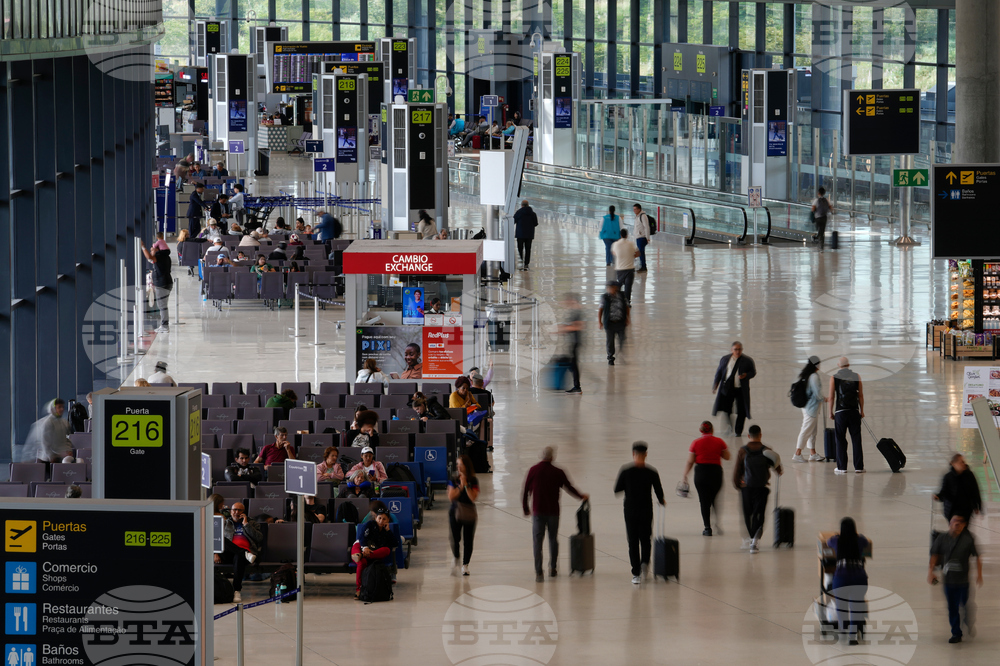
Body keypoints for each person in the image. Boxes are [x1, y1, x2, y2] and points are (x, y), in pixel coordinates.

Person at [522, 446, 588, 581]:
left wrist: (526, 507)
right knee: (553, 540)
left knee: (537, 542)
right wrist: (581, 496)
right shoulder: (558, 472)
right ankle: (553, 568)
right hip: (553, 512)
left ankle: (539, 572)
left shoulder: (533, 470)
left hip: (538, 512)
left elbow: (526, 491)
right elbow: (569, 487)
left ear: (541, 456)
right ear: (553, 457)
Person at [613, 442, 665, 584]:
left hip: (630, 510)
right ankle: (645, 564)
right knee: (646, 539)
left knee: (633, 541)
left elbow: (617, 490)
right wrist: (661, 500)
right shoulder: (652, 472)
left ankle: (635, 573)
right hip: (646, 509)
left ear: (633, 454)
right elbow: (659, 491)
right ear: (646, 454)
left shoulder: (626, 471)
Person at [929, 514, 982, 643]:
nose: (957, 524)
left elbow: (977, 556)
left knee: (966, 605)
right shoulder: (942, 538)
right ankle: (956, 633)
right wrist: (931, 572)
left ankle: (968, 621)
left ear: (964, 525)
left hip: (963, 581)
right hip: (948, 581)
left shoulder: (968, 540)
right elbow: (935, 555)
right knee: (952, 607)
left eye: (960, 522)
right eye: (954, 521)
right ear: (949, 524)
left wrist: (979, 574)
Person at [732, 425, 782, 554]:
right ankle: (755, 540)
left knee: (747, 514)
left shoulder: (743, 451)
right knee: (759, 514)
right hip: (761, 487)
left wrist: (739, 486)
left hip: (746, 488)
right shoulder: (767, 450)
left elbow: (737, 471)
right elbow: (778, 469)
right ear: (760, 435)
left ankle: (750, 538)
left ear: (748, 436)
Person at [825, 517, 870, 645]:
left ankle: (843, 628)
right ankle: (853, 635)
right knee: (856, 606)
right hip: (859, 577)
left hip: (841, 578)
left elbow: (828, 542)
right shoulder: (860, 540)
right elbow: (866, 542)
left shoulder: (836, 540)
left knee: (841, 605)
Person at [681, 422, 730, 536]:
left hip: (701, 474)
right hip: (716, 473)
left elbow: (690, 461)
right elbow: (727, 456)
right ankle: (717, 523)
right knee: (714, 499)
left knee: (704, 501)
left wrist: (685, 476)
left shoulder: (695, 443)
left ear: (701, 430)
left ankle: (707, 528)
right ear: (712, 430)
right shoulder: (719, 441)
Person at [217, 501, 261, 603]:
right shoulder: (225, 523)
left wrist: (246, 524)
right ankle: (244, 553)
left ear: (244, 512)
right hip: (228, 554)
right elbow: (216, 540)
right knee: (222, 538)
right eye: (234, 510)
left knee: (238, 557)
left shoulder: (252, 523)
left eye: (239, 510)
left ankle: (236, 590)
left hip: (244, 555)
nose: (236, 512)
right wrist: (216, 553)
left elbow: (259, 538)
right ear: (231, 511)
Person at [711, 341, 757, 437]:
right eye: (735, 349)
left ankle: (738, 430)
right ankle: (729, 426)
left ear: (742, 350)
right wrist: (715, 384)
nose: (737, 351)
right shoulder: (725, 359)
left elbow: (753, 372)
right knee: (726, 409)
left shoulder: (747, 361)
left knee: (742, 410)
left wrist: (746, 375)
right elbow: (719, 372)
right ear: (731, 350)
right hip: (728, 388)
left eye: (739, 349)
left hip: (740, 389)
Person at [354, 508, 400, 599]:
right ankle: (358, 589)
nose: (381, 521)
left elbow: (395, 543)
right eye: (379, 518)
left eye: (384, 519)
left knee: (386, 550)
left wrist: (388, 531)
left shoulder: (386, 531)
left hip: (371, 553)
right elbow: (362, 538)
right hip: (361, 547)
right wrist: (365, 548)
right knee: (361, 561)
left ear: (388, 520)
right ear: (376, 518)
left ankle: (362, 555)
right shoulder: (369, 525)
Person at [829, 356, 864, 474]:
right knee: (856, 439)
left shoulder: (834, 377)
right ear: (848, 365)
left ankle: (842, 467)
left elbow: (832, 397)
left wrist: (830, 412)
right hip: (854, 411)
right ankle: (858, 467)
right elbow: (860, 396)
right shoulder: (856, 376)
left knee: (840, 439)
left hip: (840, 412)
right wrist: (862, 410)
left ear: (839, 365)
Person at [448, 455, 480, 576]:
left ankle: (465, 564)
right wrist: (460, 486)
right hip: (455, 512)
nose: (458, 467)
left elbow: (473, 497)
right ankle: (456, 556)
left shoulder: (474, 480)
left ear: (466, 466)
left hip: (469, 512)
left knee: (468, 540)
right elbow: (451, 497)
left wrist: (466, 484)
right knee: (455, 538)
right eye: (457, 464)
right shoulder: (453, 479)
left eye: (461, 464)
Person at [793, 356, 826, 462]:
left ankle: (813, 453)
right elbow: (817, 393)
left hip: (809, 407)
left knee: (812, 431)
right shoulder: (814, 376)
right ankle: (797, 453)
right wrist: (824, 399)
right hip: (811, 408)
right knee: (806, 430)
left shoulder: (807, 375)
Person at [934, 454, 982, 522]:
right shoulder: (948, 477)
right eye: (961, 462)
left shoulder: (969, 475)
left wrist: (977, 506)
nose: (963, 464)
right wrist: (938, 496)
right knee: (955, 529)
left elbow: (975, 491)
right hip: (952, 510)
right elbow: (944, 492)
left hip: (966, 510)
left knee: (962, 529)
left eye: (963, 461)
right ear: (954, 464)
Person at [22, 399, 73, 464]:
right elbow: (45, 443)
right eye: (59, 407)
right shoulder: (48, 423)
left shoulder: (64, 422)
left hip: (62, 456)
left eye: (62, 407)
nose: (62, 409)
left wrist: (69, 450)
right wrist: (52, 456)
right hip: (48, 459)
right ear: (53, 409)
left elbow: (67, 439)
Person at [139, 239, 173, 333]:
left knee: (162, 305)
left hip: (162, 284)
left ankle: (165, 326)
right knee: (163, 304)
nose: (151, 251)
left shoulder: (159, 256)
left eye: (152, 249)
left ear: (157, 249)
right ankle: (164, 325)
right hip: (166, 282)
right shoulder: (164, 256)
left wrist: (143, 247)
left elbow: (149, 257)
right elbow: (151, 259)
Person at [598, 280, 629, 365]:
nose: (609, 289)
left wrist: (627, 318)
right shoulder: (604, 297)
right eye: (609, 287)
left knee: (622, 339)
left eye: (611, 287)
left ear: (616, 288)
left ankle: (621, 353)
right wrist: (600, 322)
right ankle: (611, 358)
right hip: (609, 323)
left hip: (620, 322)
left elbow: (626, 307)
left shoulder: (622, 296)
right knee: (610, 342)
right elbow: (600, 310)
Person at [560, 293, 584, 394]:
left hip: (575, 342)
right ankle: (576, 386)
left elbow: (578, 326)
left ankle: (577, 386)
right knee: (573, 365)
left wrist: (563, 329)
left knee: (573, 365)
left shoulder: (577, 312)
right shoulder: (574, 311)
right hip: (573, 342)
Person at [611, 229, 638, 304]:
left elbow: (614, 253)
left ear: (620, 235)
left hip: (620, 269)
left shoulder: (615, 244)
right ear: (627, 235)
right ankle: (627, 303)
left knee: (619, 286)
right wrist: (630, 256)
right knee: (628, 288)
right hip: (630, 269)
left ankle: (618, 301)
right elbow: (638, 253)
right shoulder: (631, 244)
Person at [513, 199, 538, 271]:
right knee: (528, 249)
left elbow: (513, 221)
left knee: (520, 248)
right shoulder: (533, 214)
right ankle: (526, 264)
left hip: (520, 234)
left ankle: (521, 262)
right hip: (529, 235)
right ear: (528, 205)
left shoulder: (518, 212)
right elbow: (535, 223)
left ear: (521, 205)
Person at [812, 186, 834, 252]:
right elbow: (830, 208)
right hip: (824, 218)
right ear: (824, 193)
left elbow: (813, 209)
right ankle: (821, 245)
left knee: (820, 231)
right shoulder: (826, 200)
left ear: (818, 193)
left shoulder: (816, 200)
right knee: (822, 231)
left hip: (818, 218)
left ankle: (819, 244)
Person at [632, 203, 652, 272]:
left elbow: (646, 227)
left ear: (639, 209)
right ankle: (641, 266)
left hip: (642, 237)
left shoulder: (643, 216)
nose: (634, 211)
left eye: (635, 209)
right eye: (633, 209)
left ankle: (643, 267)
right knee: (639, 252)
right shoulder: (637, 216)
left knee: (641, 252)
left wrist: (647, 237)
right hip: (638, 237)